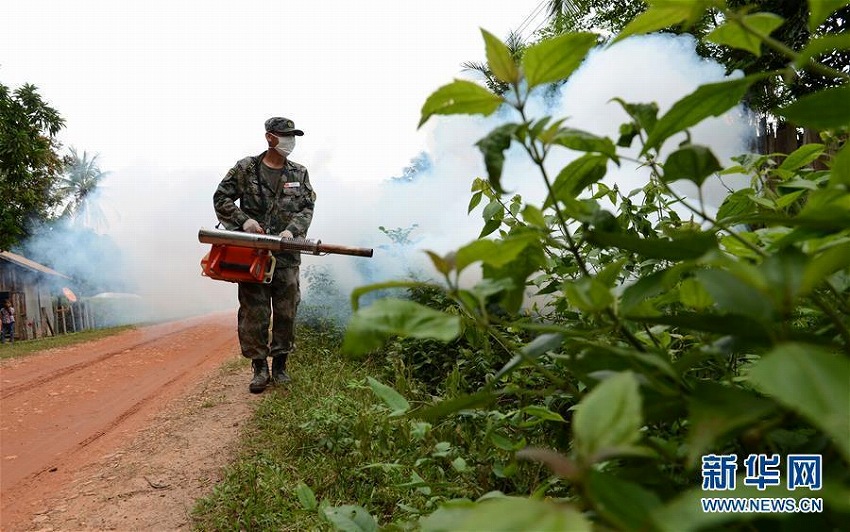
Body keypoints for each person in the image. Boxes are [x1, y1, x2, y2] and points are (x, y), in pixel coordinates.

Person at [213, 117, 316, 393]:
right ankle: (259, 368)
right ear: (270, 138)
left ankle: (280, 366)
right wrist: (243, 221)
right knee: (254, 312)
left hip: (285, 257)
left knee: (286, 311)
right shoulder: (246, 169)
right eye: (285, 136)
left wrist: (292, 230)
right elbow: (221, 197)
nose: (290, 141)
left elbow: (307, 207)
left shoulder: (299, 173)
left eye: (293, 136)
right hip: (253, 257)